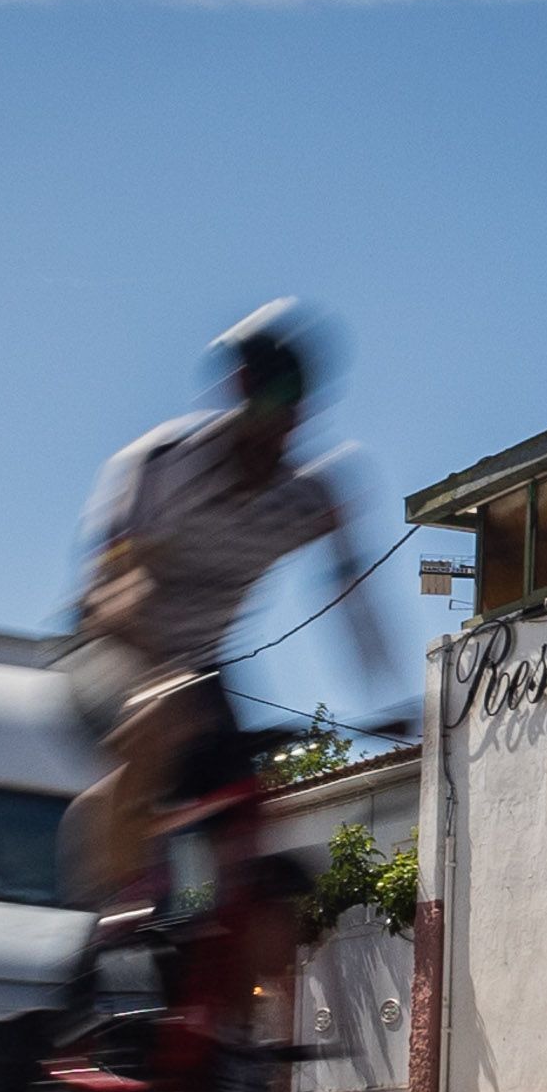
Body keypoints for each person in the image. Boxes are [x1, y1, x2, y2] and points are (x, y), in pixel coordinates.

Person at [67, 304, 396, 905]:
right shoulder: (161, 465)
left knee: (249, 843)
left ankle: (208, 951)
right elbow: (110, 592)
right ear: (237, 402)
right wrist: (161, 674)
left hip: (201, 670)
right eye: (261, 413)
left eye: (289, 416)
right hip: (110, 650)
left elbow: (352, 592)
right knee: (165, 715)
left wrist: (386, 699)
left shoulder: (307, 495)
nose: (274, 436)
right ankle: (107, 906)